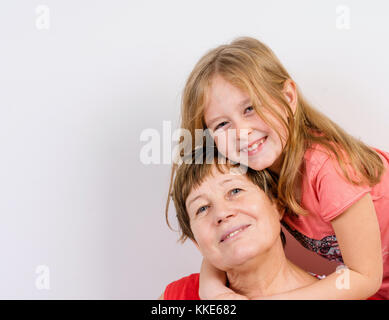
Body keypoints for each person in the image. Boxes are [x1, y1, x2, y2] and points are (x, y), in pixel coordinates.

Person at [167, 36, 389, 299]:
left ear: (288, 97)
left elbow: (365, 277)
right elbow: (223, 235)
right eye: (221, 124)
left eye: (250, 108)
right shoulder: (258, 170)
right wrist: (212, 289)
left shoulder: (329, 169)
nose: (242, 132)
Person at [161, 147, 324, 300]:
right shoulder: (177, 296)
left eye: (235, 191)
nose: (222, 213)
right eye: (202, 208)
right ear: (196, 242)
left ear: (277, 204)